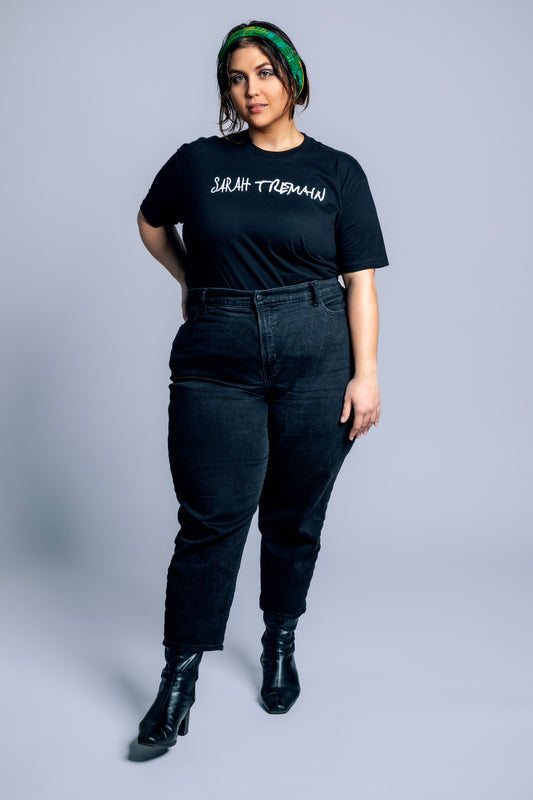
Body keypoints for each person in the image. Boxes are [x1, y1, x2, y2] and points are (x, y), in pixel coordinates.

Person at [136, 20, 388, 748]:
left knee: (292, 515)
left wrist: (365, 376)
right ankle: (176, 681)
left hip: (316, 349)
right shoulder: (197, 162)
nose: (252, 90)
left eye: (266, 74)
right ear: (227, 90)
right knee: (210, 520)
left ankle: (279, 641)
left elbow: (360, 283)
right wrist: (193, 282)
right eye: (238, 78)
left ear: (293, 80)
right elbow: (153, 225)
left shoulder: (337, 171)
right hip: (216, 354)